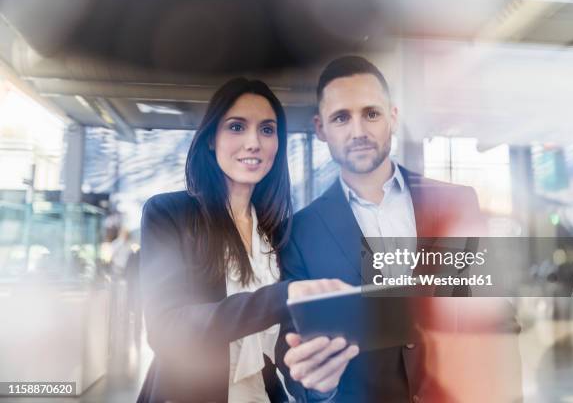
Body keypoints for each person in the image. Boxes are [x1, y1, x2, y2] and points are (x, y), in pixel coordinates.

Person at [276, 56, 522, 402]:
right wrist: (321, 386)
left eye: (371, 113)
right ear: (320, 128)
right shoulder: (298, 234)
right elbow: (296, 357)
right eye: (341, 117)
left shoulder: (456, 203)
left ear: (392, 116)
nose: (358, 131)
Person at [138, 77, 352, 403]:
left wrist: (319, 385)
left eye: (267, 130)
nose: (254, 142)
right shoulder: (170, 214)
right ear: (211, 139)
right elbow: (168, 329)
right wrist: (283, 295)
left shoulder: (278, 235)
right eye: (237, 127)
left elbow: (285, 347)